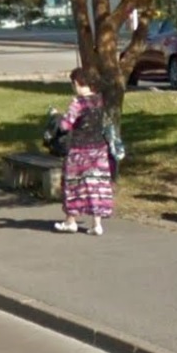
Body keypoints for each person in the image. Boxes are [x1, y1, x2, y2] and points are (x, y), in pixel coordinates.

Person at [55, 68, 115, 235]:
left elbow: (65, 125)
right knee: (96, 184)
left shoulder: (78, 103)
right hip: (99, 149)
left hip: (79, 150)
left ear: (76, 83)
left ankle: (70, 221)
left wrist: (58, 116)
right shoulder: (100, 100)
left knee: (73, 184)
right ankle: (97, 224)